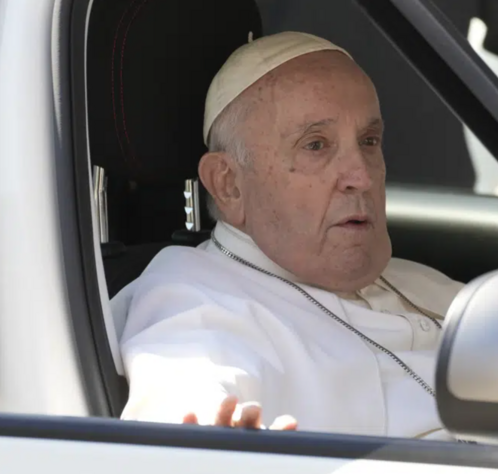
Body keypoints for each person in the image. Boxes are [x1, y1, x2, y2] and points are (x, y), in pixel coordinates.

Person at [111, 31, 465, 440]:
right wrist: (207, 438)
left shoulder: (415, 279)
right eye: (315, 145)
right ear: (228, 185)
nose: (362, 176)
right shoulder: (192, 293)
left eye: (369, 141)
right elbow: (182, 385)